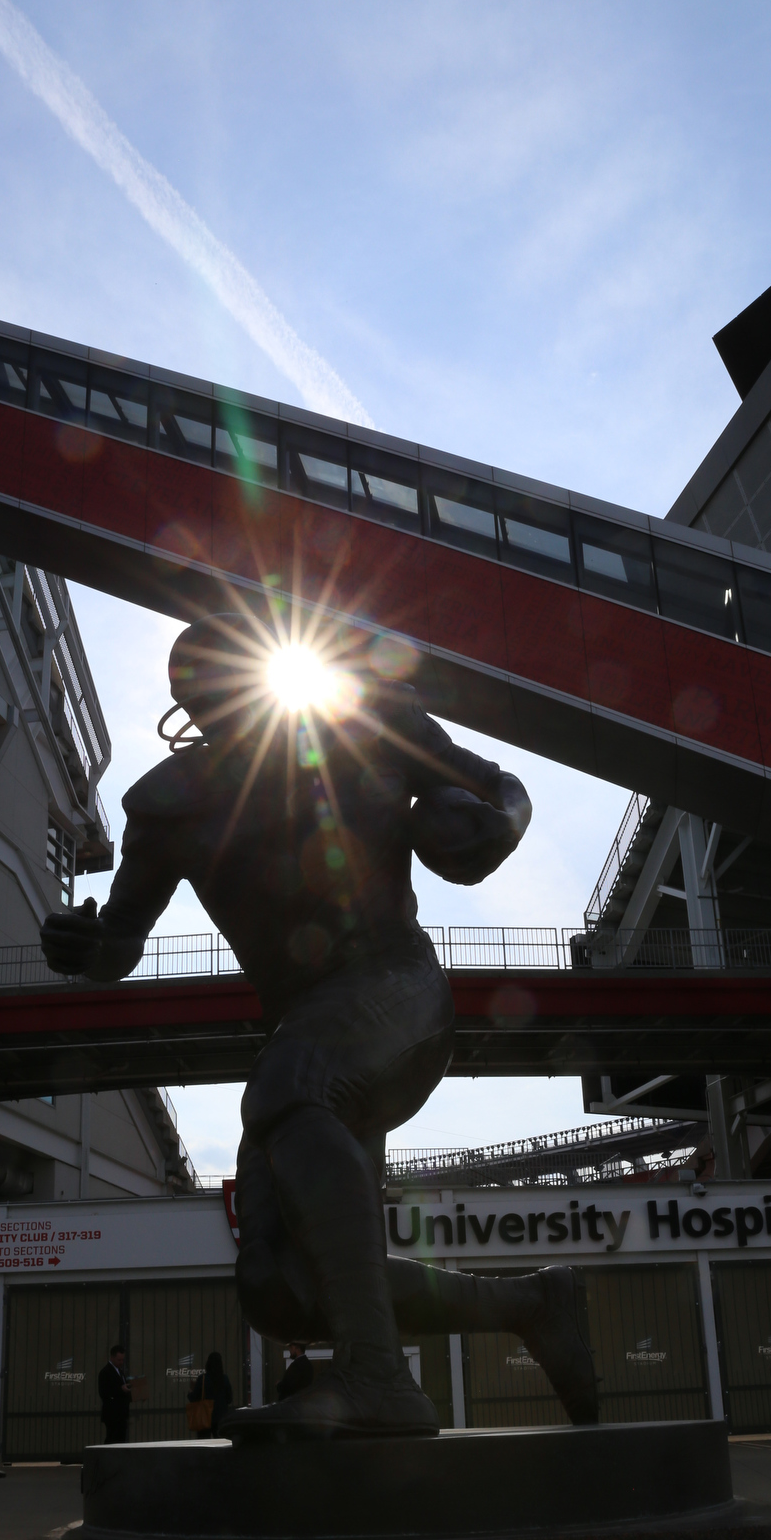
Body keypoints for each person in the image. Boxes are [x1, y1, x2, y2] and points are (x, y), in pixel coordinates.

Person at [42, 613, 597, 1438]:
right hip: (303, 1027)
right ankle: (530, 1302)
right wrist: (85, 946)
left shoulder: (369, 727)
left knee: (290, 1088)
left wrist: (496, 823)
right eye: (202, 690)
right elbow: (121, 942)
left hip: (394, 988)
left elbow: (502, 790)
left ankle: (377, 1380)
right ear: (188, 705)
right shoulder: (165, 803)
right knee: (279, 1284)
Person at [188, 1350, 234, 1436]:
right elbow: (229, 1399)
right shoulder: (224, 1379)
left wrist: (190, 1391)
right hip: (221, 1417)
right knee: (221, 1443)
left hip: (205, 1417)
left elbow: (194, 1398)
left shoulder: (203, 1379)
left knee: (203, 1444)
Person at [98, 1344, 136, 1444]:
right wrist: (120, 1389)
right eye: (119, 1360)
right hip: (112, 1414)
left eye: (122, 1360)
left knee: (120, 1439)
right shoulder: (105, 1372)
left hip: (121, 1413)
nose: (121, 1362)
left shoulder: (119, 1371)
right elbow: (104, 1392)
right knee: (112, 1439)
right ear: (112, 1357)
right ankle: (107, 1458)